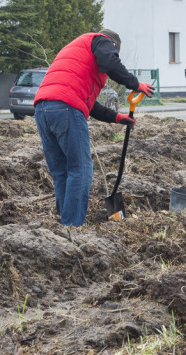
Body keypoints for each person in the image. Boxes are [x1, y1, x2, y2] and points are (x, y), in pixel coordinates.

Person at [33, 29, 155, 227]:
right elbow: (110, 62)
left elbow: (90, 104)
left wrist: (117, 117)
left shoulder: (79, 52)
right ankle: (72, 225)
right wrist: (135, 83)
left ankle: (65, 225)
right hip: (65, 108)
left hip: (43, 109)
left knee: (62, 171)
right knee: (80, 169)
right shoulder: (101, 41)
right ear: (113, 46)